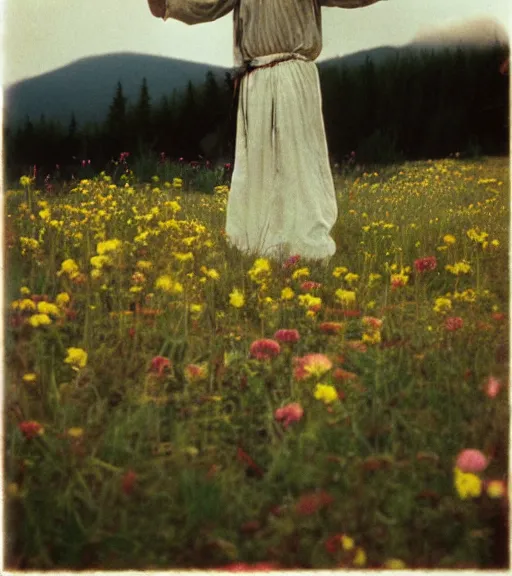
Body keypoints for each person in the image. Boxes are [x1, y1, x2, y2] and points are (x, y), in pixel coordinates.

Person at [147, 0, 385, 261]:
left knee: (299, 165)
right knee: (256, 168)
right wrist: (167, 4)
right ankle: (257, 246)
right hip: (255, 80)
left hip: (293, 73)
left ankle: (308, 252)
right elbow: (206, 4)